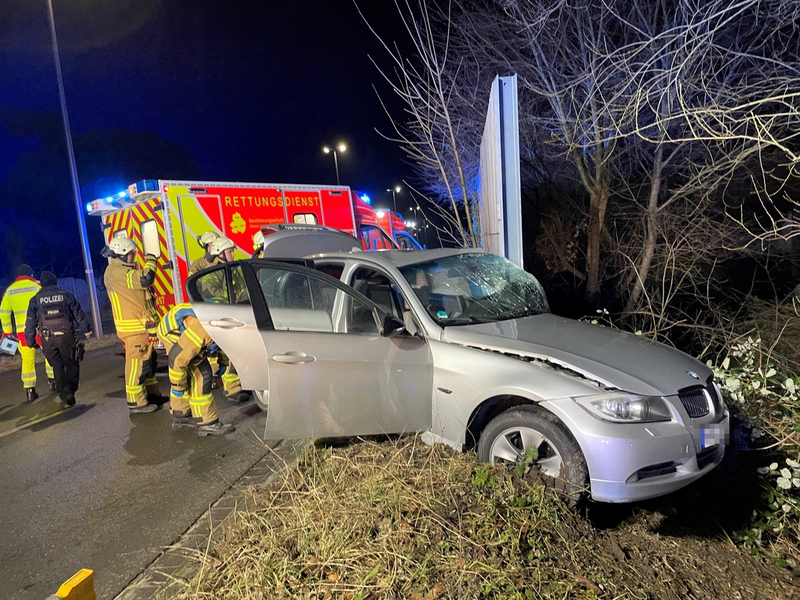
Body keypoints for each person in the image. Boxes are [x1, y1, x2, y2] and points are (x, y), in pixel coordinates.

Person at [102, 237, 163, 414]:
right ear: (121, 255)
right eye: (131, 254)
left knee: (148, 363)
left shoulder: (120, 270)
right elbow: (146, 279)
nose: (134, 256)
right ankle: (136, 402)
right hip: (134, 328)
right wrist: (152, 259)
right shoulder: (119, 273)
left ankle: (152, 394)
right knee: (136, 365)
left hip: (140, 326)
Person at [157, 303, 234, 436]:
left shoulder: (224, 324)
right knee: (201, 374)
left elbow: (224, 344)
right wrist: (177, 387)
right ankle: (207, 422)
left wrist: (223, 362)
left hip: (180, 327)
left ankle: (181, 414)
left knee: (191, 372)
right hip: (172, 332)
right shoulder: (205, 328)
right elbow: (177, 359)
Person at [189, 237, 250, 403]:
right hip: (221, 318)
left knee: (230, 355)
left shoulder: (230, 269)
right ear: (220, 253)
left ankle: (236, 386)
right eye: (230, 252)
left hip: (234, 316)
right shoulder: (212, 274)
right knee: (229, 355)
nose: (233, 254)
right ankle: (232, 389)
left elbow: (242, 287)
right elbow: (212, 295)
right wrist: (232, 297)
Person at [24, 271, 92, 407]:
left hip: (48, 339)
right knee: (71, 363)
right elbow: (78, 313)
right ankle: (71, 391)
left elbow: (30, 324)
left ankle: (63, 393)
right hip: (66, 336)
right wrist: (87, 330)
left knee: (57, 366)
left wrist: (30, 341)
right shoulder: (66, 295)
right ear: (55, 282)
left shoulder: (35, 300)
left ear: (42, 284)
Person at [0, 264, 55, 402]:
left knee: (27, 360)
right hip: (41, 329)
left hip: (22, 333)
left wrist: (7, 332)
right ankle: (53, 382)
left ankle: (30, 390)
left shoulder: (10, 291)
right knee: (49, 354)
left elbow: (4, 313)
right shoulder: (37, 285)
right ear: (30, 274)